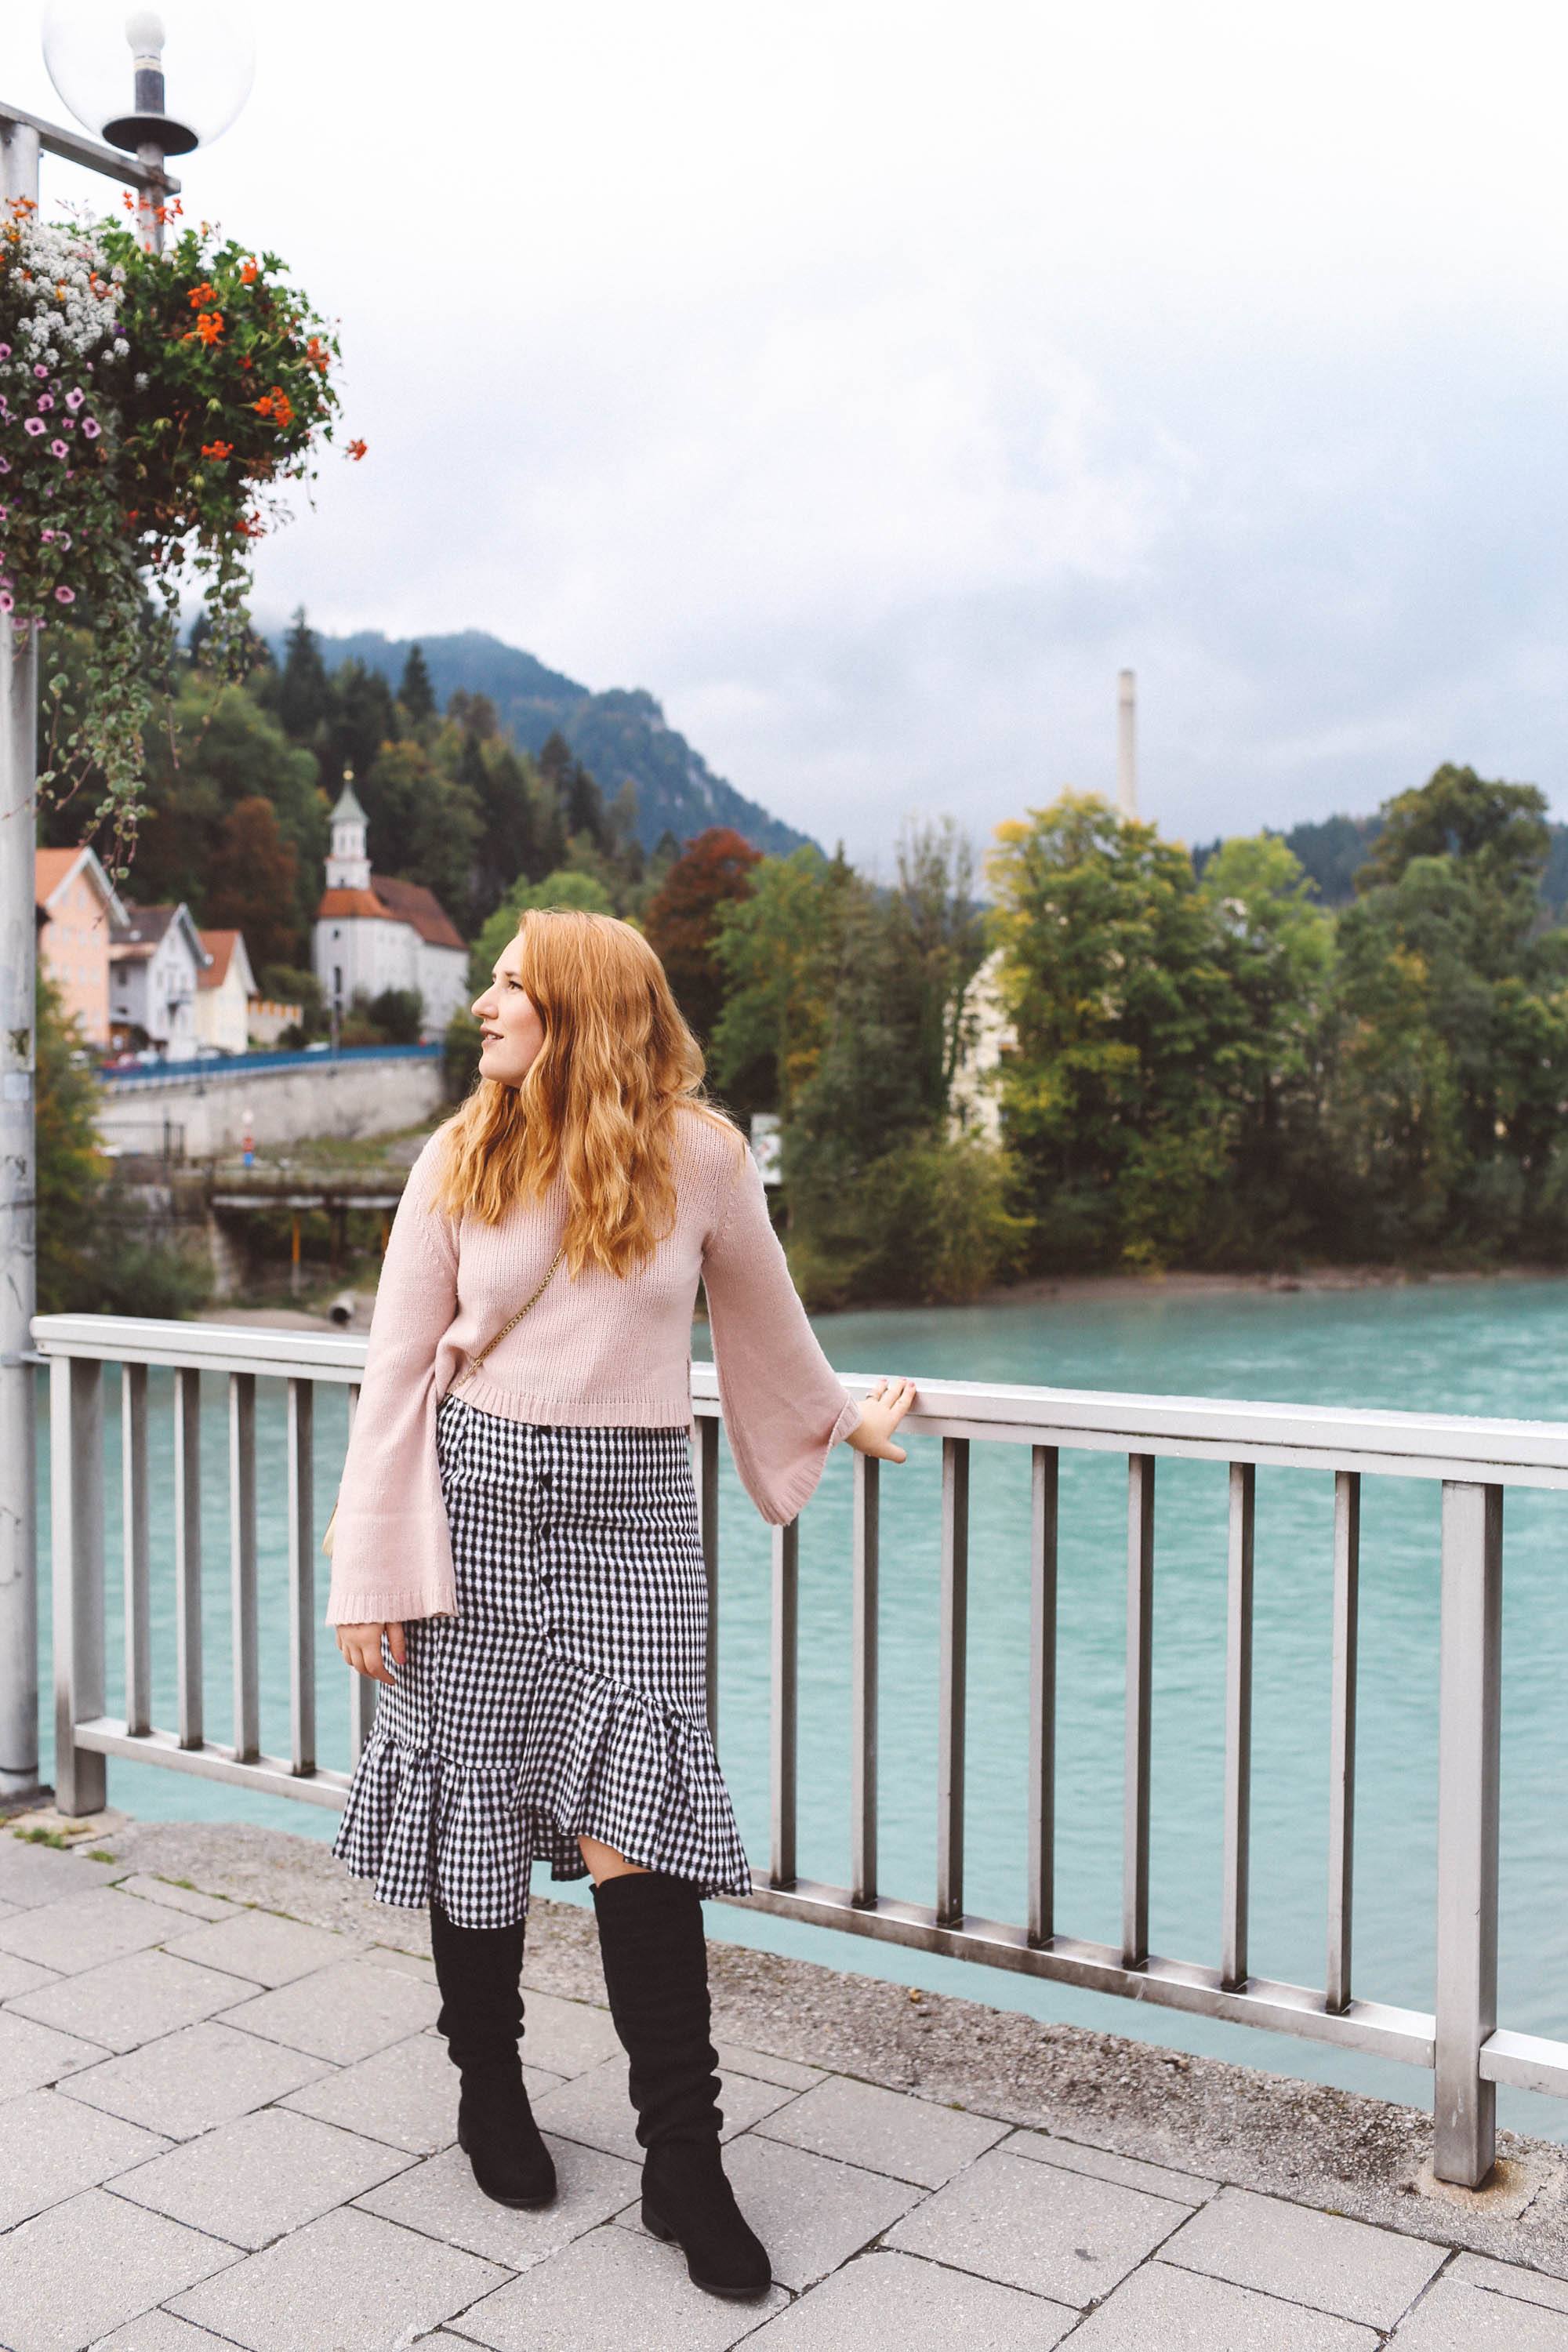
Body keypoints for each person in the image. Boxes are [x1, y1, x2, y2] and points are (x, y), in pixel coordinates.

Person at [325, 908, 916, 2303]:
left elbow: (765, 1325)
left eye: (512, 987)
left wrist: (844, 1422)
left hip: (634, 1515)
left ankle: (685, 2164)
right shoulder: (460, 1154)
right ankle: (490, 2092)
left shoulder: (701, 1156)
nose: (483, 1003)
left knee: (634, 1823)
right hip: (467, 1503)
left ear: (579, 1009)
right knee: (472, 1796)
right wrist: (370, 1563)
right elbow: (397, 1372)